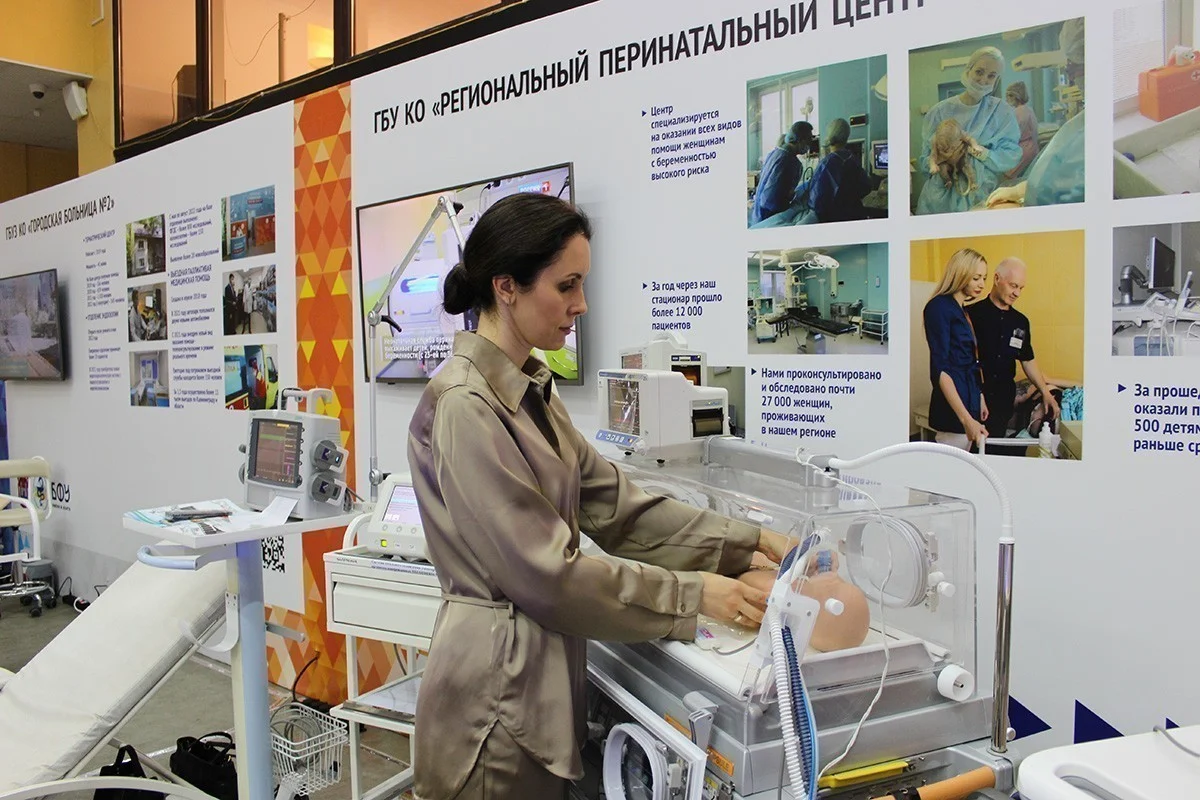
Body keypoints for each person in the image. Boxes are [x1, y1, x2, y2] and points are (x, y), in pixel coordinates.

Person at [407, 192, 791, 799]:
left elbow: (622, 510)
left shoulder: (532, 393)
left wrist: (754, 542)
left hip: (535, 682)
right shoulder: (467, 406)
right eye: (567, 286)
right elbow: (548, 576)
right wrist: (695, 595)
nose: (580, 304)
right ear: (506, 287)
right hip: (493, 705)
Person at [987, 19, 1086, 208]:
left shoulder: (1019, 112)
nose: (1071, 74)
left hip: (1023, 154)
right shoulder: (1028, 109)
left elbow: (1010, 135)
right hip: (1031, 152)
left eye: (1073, 66)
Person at [966, 258, 1059, 456]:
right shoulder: (971, 314)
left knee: (993, 453)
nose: (1017, 293)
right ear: (996, 279)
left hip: (1002, 402)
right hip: (973, 397)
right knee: (970, 454)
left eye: (1021, 288)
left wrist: (1045, 392)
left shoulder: (1020, 322)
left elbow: (1027, 359)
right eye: (1013, 286)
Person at [916, 46, 1022, 215]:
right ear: (968, 70)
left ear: (997, 79)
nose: (983, 80)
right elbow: (925, 161)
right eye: (979, 72)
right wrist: (943, 160)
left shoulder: (1002, 112)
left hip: (980, 195)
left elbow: (1010, 156)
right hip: (940, 199)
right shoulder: (939, 112)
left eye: (991, 76)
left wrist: (982, 154)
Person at [923, 248, 989, 450]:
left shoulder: (962, 310)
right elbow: (940, 369)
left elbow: (970, 360)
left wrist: (979, 398)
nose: (982, 284)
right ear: (960, 273)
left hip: (969, 401)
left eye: (984, 278)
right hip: (954, 411)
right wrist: (966, 419)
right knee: (950, 467)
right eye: (976, 278)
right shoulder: (939, 307)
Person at [792, 118, 872, 224]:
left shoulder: (828, 163)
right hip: (854, 215)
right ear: (846, 136)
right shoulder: (852, 159)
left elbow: (817, 202)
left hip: (832, 218)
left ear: (829, 134)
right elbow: (866, 187)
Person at [750, 121, 814, 225]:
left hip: (759, 214)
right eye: (809, 140)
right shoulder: (790, 162)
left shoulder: (774, 154)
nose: (809, 145)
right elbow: (772, 199)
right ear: (800, 140)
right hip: (770, 216)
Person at [1004, 81, 1040, 179]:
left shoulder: (1019, 111)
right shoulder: (1028, 109)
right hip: (1031, 148)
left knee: (1007, 176)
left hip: (1024, 150)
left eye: (1008, 96)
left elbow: (1013, 135)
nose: (1006, 99)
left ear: (1016, 96)